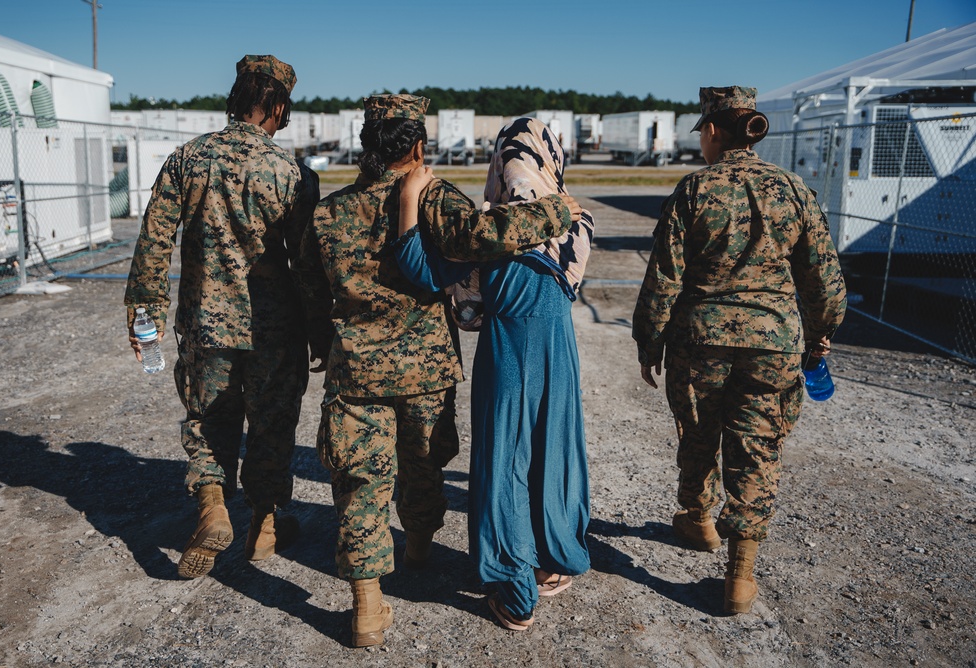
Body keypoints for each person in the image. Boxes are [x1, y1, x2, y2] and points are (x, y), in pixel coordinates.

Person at [299, 94, 582, 647]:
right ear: (419, 146)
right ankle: (420, 548)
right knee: (423, 464)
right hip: (423, 370)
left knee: (361, 481)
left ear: (365, 146)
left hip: (356, 370)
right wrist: (558, 210)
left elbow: (311, 294)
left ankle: (367, 607)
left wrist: (320, 346)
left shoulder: (328, 213)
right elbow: (488, 236)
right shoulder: (434, 199)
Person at [631, 86, 847, 614]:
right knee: (756, 448)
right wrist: (820, 336)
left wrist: (648, 340)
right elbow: (825, 280)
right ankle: (740, 576)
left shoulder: (694, 189)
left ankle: (700, 521)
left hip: (700, 340)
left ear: (711, 130)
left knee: (699, 432)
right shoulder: (793, 189)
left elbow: (664, 279)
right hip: (772, 344)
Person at [124, 55, 323, 580]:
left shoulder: (186, 159)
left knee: (208, 419)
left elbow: (154, 243)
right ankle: (263, 525)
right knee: (272, 423)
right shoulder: (293, 174)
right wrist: (320, 331)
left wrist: (145, 312)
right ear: (277, 105)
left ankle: (213, 505)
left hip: (205, 326)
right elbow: (307, 265)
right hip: (273, 331)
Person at [395, 117, 594, 631]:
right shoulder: (574, 218)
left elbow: (430, 274)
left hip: (510, 350)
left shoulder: (499, 231)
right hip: (558, 349)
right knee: (552, 451)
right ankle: (555, 555)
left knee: (505, 459)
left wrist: (409, 204)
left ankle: (513, 584)